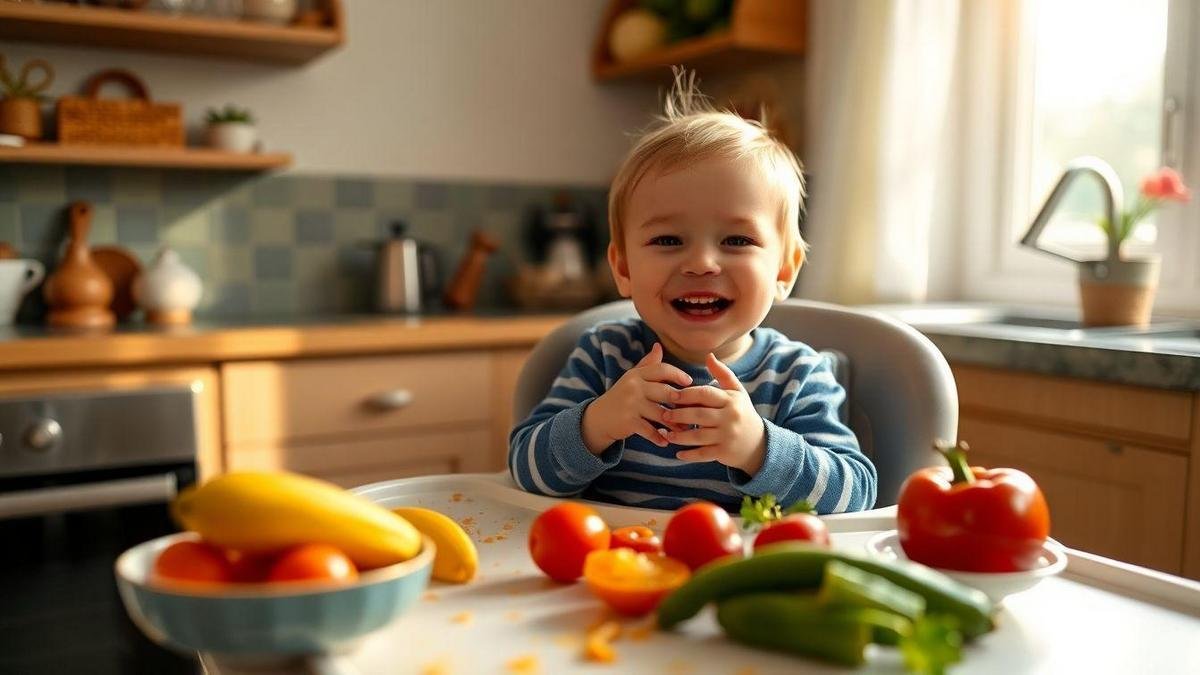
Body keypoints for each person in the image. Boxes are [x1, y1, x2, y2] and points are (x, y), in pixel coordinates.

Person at [508, 72, 876, 513]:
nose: (702, 263)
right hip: (618, 569)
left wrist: (760, 449)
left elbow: (855, 494)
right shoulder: (604, 358)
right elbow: (525, 470)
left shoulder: (796, 376)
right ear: (623, 268)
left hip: (739, 575)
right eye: (668, 240)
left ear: (784, 269)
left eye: (736, 241)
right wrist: (596, 423)